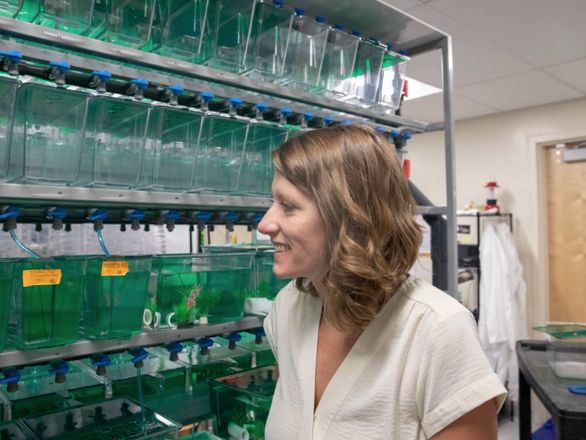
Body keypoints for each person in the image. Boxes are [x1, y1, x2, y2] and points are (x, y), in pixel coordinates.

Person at [257, 125, 507, 439]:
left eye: (288, 206)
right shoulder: (289, 307)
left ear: (349, 218)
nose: (264, 224)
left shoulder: (438, 329)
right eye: (272, 202)